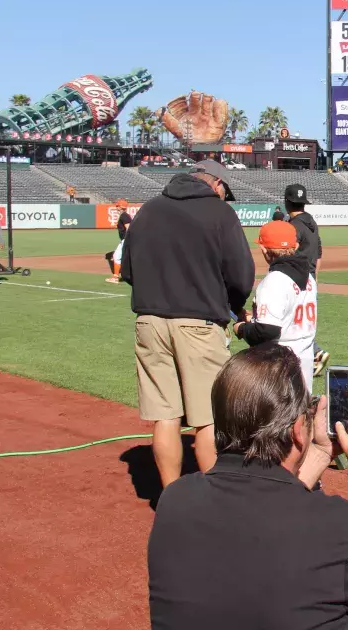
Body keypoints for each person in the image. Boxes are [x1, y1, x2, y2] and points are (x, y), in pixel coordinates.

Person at [148, 342, 348, 628]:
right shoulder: (337, 526)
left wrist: (321, 452)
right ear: (299, 429)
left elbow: (268, 511)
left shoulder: (176, 499)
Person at [120, 159, 256, 488]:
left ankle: (171, 498)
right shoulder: (220, 213)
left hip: (149, 322)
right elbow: (241, 277)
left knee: (165, 416)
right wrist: (234, 307)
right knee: (209, 417)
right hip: (199, 323)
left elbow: (127, 271)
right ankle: (211, 504)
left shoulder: (148, 210)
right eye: (225, 191)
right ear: (216, 184)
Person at [232, 221, 318, 394]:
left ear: (264, 250)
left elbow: (267, 331)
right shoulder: (308, 277)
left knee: (279, 418)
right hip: (304, 360)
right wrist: (252, 319)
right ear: (296, 245)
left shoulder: (274, 281)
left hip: (280, 366)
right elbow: (287, 317)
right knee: (301, 414)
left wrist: (242, 328)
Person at [284, 183, 329, 376]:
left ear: (287, 202)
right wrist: (314, 278)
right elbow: (318, 252)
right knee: (303, 322)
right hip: (310, 277)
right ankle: (315, 353)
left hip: (296, 278)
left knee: (292, 322)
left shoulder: (292, 226)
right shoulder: (311, 222)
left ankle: (314, 353)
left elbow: (288, 251)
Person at [104, 199, 132, 284]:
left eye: (118, 206)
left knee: (116, 256)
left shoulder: (124, 216)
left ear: (120, 207)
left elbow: (129, 228)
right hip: (126, 239)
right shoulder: (125, 215)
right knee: (124, 257)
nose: (116, 207)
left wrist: (127, 240)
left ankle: (115, 277)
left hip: (126, 240)